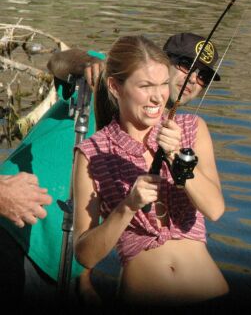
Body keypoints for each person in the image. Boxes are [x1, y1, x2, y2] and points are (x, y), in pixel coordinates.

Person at [0, 32, 221, 309]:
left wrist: (83, 278)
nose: (192, 79)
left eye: (203, 75)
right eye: (185, 65)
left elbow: (97, 215)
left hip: (56, 263)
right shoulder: (110, 77)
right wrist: (85, 63)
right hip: (10, 222)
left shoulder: (178, 133)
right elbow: (58, 61)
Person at [73, 35, 228, 311]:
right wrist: (128, 206)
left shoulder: (192, 128)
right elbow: (85, 255)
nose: (158, 96)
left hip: (210, 294)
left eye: (162, 85)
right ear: (115, 87)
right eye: (146, 86)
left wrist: (176, 155)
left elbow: (215, 210)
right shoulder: (91, 152)